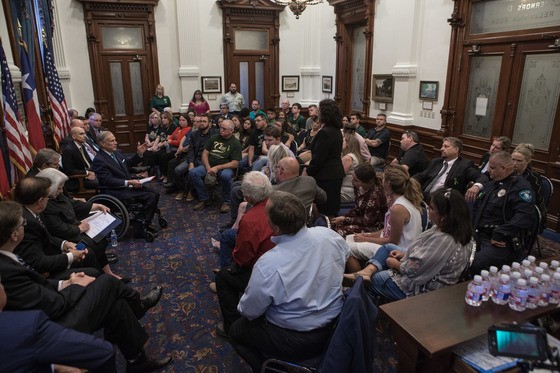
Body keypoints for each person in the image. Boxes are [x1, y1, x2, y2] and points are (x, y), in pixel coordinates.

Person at [0, 200, 172, 372]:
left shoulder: (7, 259)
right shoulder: (7, 271)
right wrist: (75, 285)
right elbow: (53, 304)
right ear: (14, 235)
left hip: (50, 300)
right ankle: (138, 306)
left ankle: (137, 361)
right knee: (107, 282)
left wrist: (66, 282)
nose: (25, 225)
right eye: (22, 224)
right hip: (51, 325)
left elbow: (37, 286)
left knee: (114, 303)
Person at [228, 191, 348, 372]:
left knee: (235, 332)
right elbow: (344, 257)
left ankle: (271, 368)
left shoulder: (269, 263)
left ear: (273, 226)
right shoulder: (328, 235)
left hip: (296, 339)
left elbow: (249, 311)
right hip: (337, 325)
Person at [344, 188, 472, 301]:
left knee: (375, 279)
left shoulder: (445, 240)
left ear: (443, 216)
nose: (428, 209)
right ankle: (365, 272)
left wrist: (396, 264)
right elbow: (428, 256)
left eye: (432, 208)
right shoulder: (451, 227)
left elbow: (413, 271)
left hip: (424, 290)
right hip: (421, 272)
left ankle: (368, 310)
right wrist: (404, 254)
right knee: (387, 248)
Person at [0, 281, 117, 373]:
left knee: (117, 306)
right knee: (107, 283)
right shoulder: (26, 326)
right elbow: (104, 352)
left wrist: (53, 367)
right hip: (55, 317)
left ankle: (134, 359)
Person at [37, 168, 126, 281]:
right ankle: (101, 277)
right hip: (67, 238)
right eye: (58, 188)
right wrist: (79, 229)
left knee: (100, 238)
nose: (60, 190)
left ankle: (108, 272)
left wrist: (96, 205)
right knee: (89, 246)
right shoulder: (46, 205)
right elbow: (58, 229)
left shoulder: (57, 195)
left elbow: (74, 204)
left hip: (76, 229)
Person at [214, 172, 275, 336]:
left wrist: (233, 266)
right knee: (228, 239)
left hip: (265, 272)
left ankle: (232, 328)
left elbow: (243, 259)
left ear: (248, 197)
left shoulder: (250, 220)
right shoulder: (279, 204)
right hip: (285, 263)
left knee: (223, 278)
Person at [13, 177, 101, 280]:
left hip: (50, 255)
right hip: (44, 273)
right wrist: (71, 256)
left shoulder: (31, 211)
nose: (49, 200)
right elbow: (38, 263)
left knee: (88, 253)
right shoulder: (27, 223)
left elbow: (47, 236)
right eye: (47, 197)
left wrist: (65, 244)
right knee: (93, 273)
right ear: (40, 201)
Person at [345, 165, 423, 273]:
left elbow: (393, 242)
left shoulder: (398, 208)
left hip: (398, 250)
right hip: (391, 243)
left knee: (346, 247)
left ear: (388, 183)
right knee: (349, 238)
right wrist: (368, 235)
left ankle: (356, 281)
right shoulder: (396, 200)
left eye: (384, 178)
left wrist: (366, 239)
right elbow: (388, 229)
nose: (381, 180)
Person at [471, 151, 536, 274]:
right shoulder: (492, 183)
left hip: (501, 239)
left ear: (504, 168)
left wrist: (500, 232)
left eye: (492, 167)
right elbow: (477, 207)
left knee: (475, 263)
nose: (488, 170)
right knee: (451, 252)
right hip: (478, 233)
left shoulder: (520, 188)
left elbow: (525, 217)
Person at [92, 131, 160, 239]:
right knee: (151, 196)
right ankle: (140, 224)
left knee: (155, 192)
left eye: (115, 139)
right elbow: (107, 180)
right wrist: (128, 182)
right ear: (103, 144)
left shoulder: (116, 153)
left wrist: (139, 154)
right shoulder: (99, 160)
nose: (116, 142)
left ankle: (143, 222)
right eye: (112, 141)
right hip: (115, 190)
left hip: (127, 186)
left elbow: (127, 164)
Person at [189, 119, 242, 213]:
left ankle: (227, 201)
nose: (221, 130)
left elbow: (235, 163)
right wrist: (209, 168)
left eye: (224, 129)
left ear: (231, 131)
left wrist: (217, 168)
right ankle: (205, 198)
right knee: (193, 173)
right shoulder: (214, 137)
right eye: (221, 127)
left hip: (225, 167)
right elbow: (205, 153)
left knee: (225, 176)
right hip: (210, 165)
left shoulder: (235, 143)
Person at [413, 137, 487, 201]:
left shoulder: (464, 165)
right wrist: (409, 181)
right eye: (442, 146)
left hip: (443, 200)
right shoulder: (436, 162)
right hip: (424, 196)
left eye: (446, 146)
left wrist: (476, 186)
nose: (441, 149)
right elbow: (421, 176)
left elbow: (482, 177)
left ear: (456, 150)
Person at [304, 98, 345, 216]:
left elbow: (318, 159)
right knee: (331, 207)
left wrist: (307, 172)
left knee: (325, 210)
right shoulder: (336, 130)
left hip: (326, 175)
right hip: (335, 173)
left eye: (319, 111)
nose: (318, 113)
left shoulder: (325, 132)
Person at [331, 163, 388, 237]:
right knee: (334, 225)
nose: (352, 181)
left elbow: (367, 221)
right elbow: (357, 208)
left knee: (340, 232)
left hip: (373, 226)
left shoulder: (376, 197)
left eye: (355, 180)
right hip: (360, 218)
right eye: (352, 177)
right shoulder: (358, 187)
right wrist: (345, 217)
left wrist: (345, 219)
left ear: (365, 182)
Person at [174, 114, 219, 201]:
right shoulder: (194, 134)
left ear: (210, 123)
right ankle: (183, 191)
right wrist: (190, 163)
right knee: (178, 170)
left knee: (194, 172)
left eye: (204, 121)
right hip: (194, 158)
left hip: (207, 160)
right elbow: (190, 150)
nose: (201, 123)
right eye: (200, 121)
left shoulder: (215, 134)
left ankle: (192, 192)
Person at [512, 143, 546, 232]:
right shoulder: (509, 172)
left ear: (528, 161)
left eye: (519, 161)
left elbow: (533, 203)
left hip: (527, 212)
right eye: (513, 159)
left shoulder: (533, 178)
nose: (515, 163)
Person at [61, 125, 99, 191]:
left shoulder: (82, 146)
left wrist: (91, 172)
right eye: (81, 134)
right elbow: (69, 171)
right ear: (73, 136)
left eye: (85, 133)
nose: (85, 136)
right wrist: (87, 173)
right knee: (102, 182)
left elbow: (89, 163)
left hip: (87, 176)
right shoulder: (68, 150)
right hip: (78, 180)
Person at [340, 130, 364, 205]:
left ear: (348, 144)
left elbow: (339, 176)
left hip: (344, 192)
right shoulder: (356, 156)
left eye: (343, 141)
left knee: (318, 194)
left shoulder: (348, 158)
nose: (341, 143)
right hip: (352, 191)